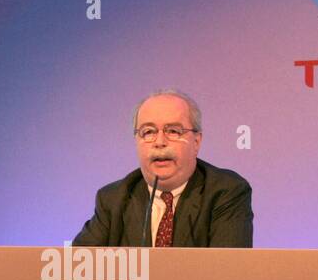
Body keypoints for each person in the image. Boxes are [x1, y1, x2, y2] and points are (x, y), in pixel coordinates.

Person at [72, 91, 253, 247]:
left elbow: (226, 273)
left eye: (173, 131)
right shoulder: (113, 198)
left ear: (196, 142)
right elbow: (79, 270)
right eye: (148, 132)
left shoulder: (226, 192)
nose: (159, 142)